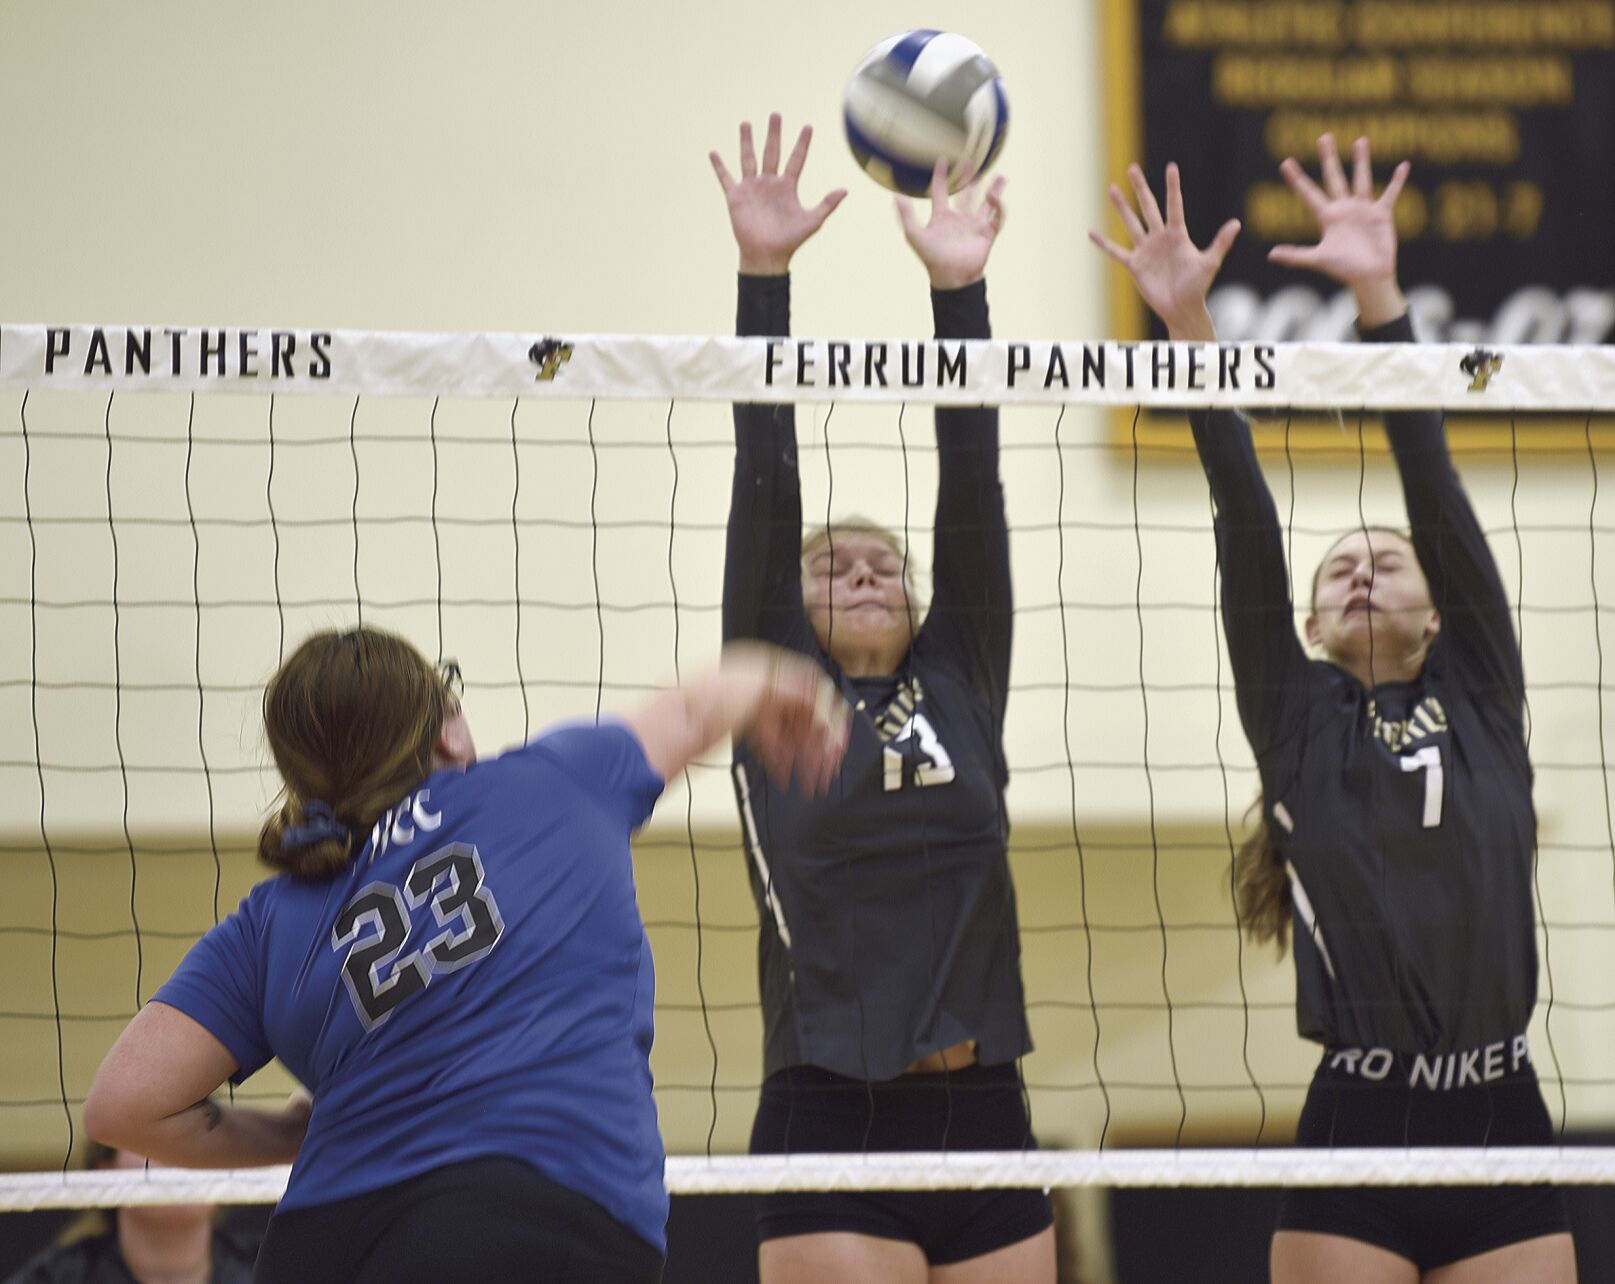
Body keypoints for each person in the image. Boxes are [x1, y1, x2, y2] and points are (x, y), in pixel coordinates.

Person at [1091, 135, 1576, 1282]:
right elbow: (1243, 518)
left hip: (1501, 1112)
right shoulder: (1294, 718)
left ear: (1439, 613)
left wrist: (1378, 300)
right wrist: (1187, 329)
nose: (1361, 571)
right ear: (1307, 628)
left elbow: (1431, 482)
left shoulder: (1482, 692)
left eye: (1387, 564)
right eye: (1338, 570)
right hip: (1360, 1119)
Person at [82, 626, 849, 1284]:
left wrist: (291, 1138)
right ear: (447, 730)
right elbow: (699, 703)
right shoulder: (554, 780)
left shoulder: (270, 918)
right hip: (529, 1219)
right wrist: (778, 677)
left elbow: (122, 1104)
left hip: (317, 1242)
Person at [710, 113, 1056, 1284]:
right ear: (787, 606)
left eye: (883, 566)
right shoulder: (774, 691)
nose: (864, 574)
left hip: (985, 1107)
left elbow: (972, 482)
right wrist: (764, 276)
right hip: (829, 1116)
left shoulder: (960, 675)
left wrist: (959, 292)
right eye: (832, 567)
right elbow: (764, 481)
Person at [4, 1143, 257, 1284]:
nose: (179, 1156)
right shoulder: (60, 1277)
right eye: (150, 1141)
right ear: (104, 1172)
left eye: (195, 1138)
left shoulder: (264, 1268)